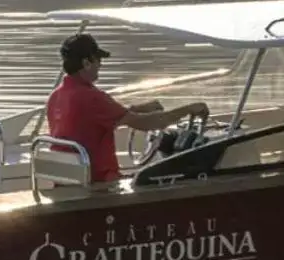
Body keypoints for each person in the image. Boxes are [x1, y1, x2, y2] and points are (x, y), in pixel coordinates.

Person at [46, 33, 209, 187]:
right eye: (97, 59)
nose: (100, 64)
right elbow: (147, 123)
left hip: (68, 181)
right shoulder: (92, 97)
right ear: (86, 63)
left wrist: (142, 108)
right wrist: (189, 108)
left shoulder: (57, 95)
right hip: (99, 183)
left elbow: (101, 119)